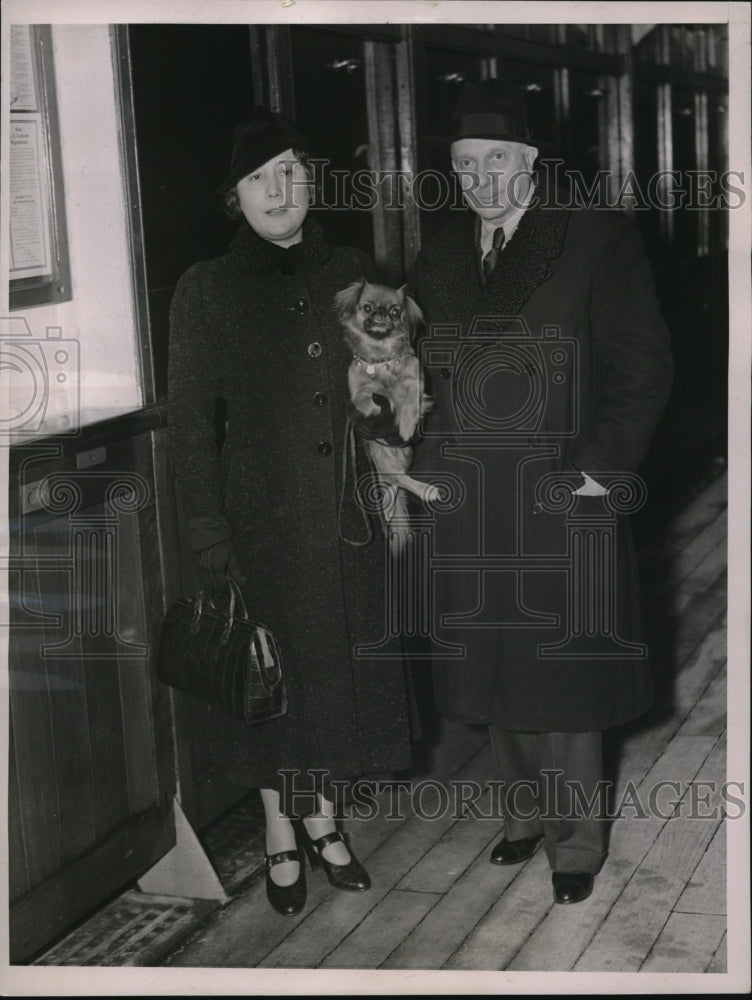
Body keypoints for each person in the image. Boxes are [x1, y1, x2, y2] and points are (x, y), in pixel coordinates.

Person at [411, 79, 673, 904]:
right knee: (492, 667)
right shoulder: (442, 252)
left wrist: (599, 470)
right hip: (471, 494)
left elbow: (645, 366)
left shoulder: (592, 237)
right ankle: (522, 818)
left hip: (563, 485)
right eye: (464, 164)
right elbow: (420, 369)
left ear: (530, 161)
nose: (481, 177)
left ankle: (575, 843)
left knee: (564, 676)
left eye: (497, 158)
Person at [167, 108, 415, 916]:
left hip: (346, 513)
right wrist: (208, 532)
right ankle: (285, 830)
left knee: (330, 677)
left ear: (312, 181)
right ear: (233, 198)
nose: (280, 189)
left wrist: (388, 422)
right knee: (278, 682)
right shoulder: (205, 289)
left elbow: (392, 382)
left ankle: (324, 818)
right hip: (262, 521)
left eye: (293, 171)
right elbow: (189, 426)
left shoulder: (348, 269)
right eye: (259, 177)